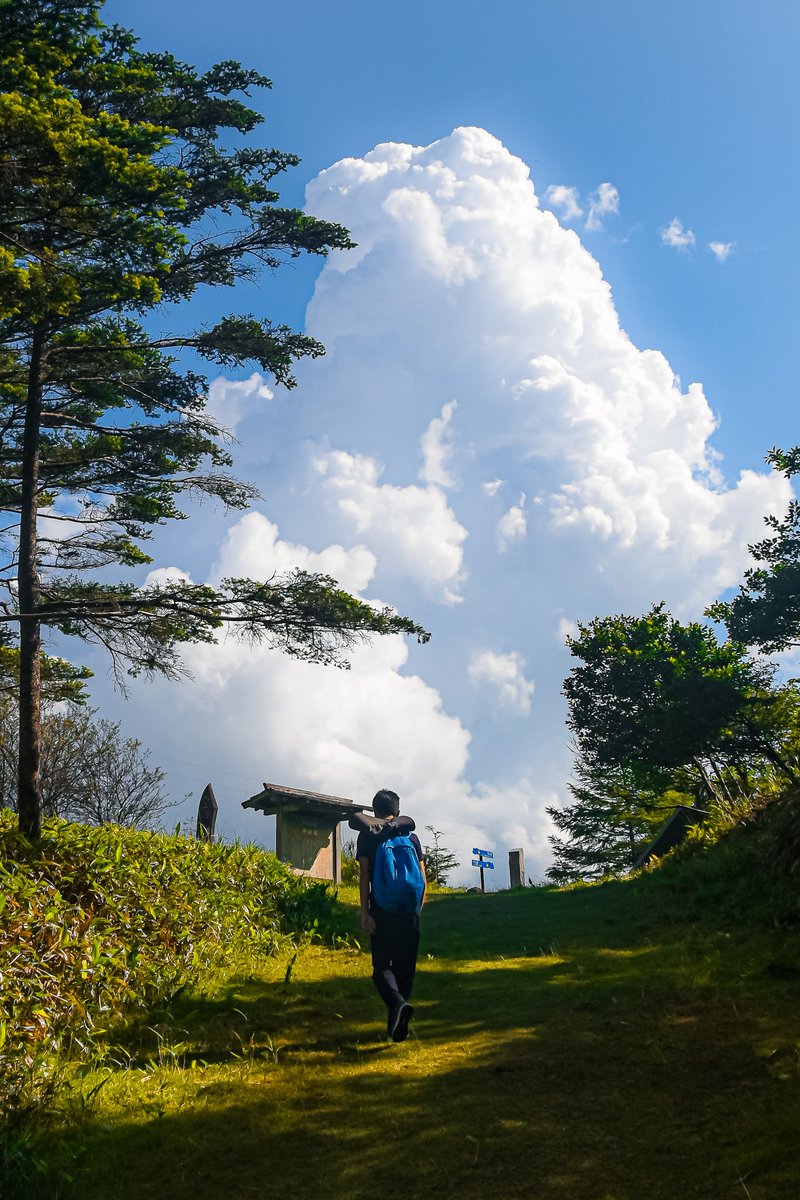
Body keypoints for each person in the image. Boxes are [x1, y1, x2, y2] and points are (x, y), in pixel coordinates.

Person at [354, 788, 426, 1043]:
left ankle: (396, 1007)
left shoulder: (368, 836)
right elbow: (421, 875)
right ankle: (398, 1017)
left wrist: (365, 912)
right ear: (397, 810)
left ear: (375, 811)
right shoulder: (411, 837)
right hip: (409, 910)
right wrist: (417, 907)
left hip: (382, 909)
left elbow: (364, 876)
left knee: (382, 968)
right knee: (404, 971)